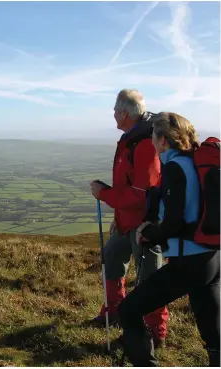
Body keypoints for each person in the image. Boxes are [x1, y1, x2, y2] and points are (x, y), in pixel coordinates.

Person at [117, 112, 220, 367]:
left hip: (190, 261)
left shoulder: (175, 167)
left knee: (128, 310)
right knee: (213, 332)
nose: (151, 140)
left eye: (153, 135)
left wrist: (147, 234)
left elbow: (174, 223)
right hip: (213, 257)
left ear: (163, 140)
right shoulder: (195, 163)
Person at [90, 89, 169, 348]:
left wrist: (104, 194)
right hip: (127, 221)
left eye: (115, 110)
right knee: (111, 256)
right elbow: (129, 188)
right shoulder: (131, 139)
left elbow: (140, 195)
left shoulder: (145, 144)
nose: (112, 114)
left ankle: (153, 333)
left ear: (125, 113)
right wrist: (118, 213)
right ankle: (114, 313)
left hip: (145, 224)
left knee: (149, 277)